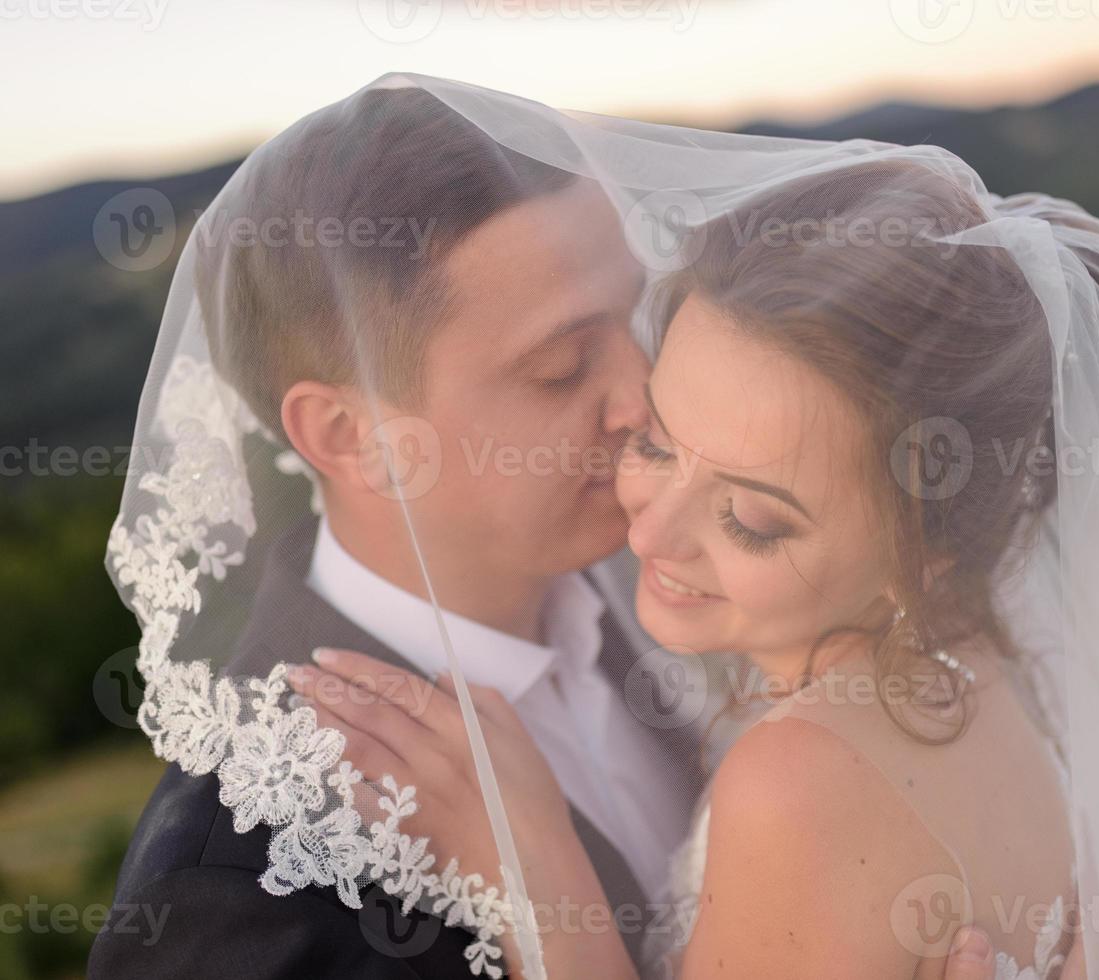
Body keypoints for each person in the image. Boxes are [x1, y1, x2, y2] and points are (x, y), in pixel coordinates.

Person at [90, 85, 1002, 980]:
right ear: (352, 437)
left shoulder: (693, 596)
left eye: (637, 317)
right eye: (560, 370)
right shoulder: (238, 888)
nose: (644, 393)